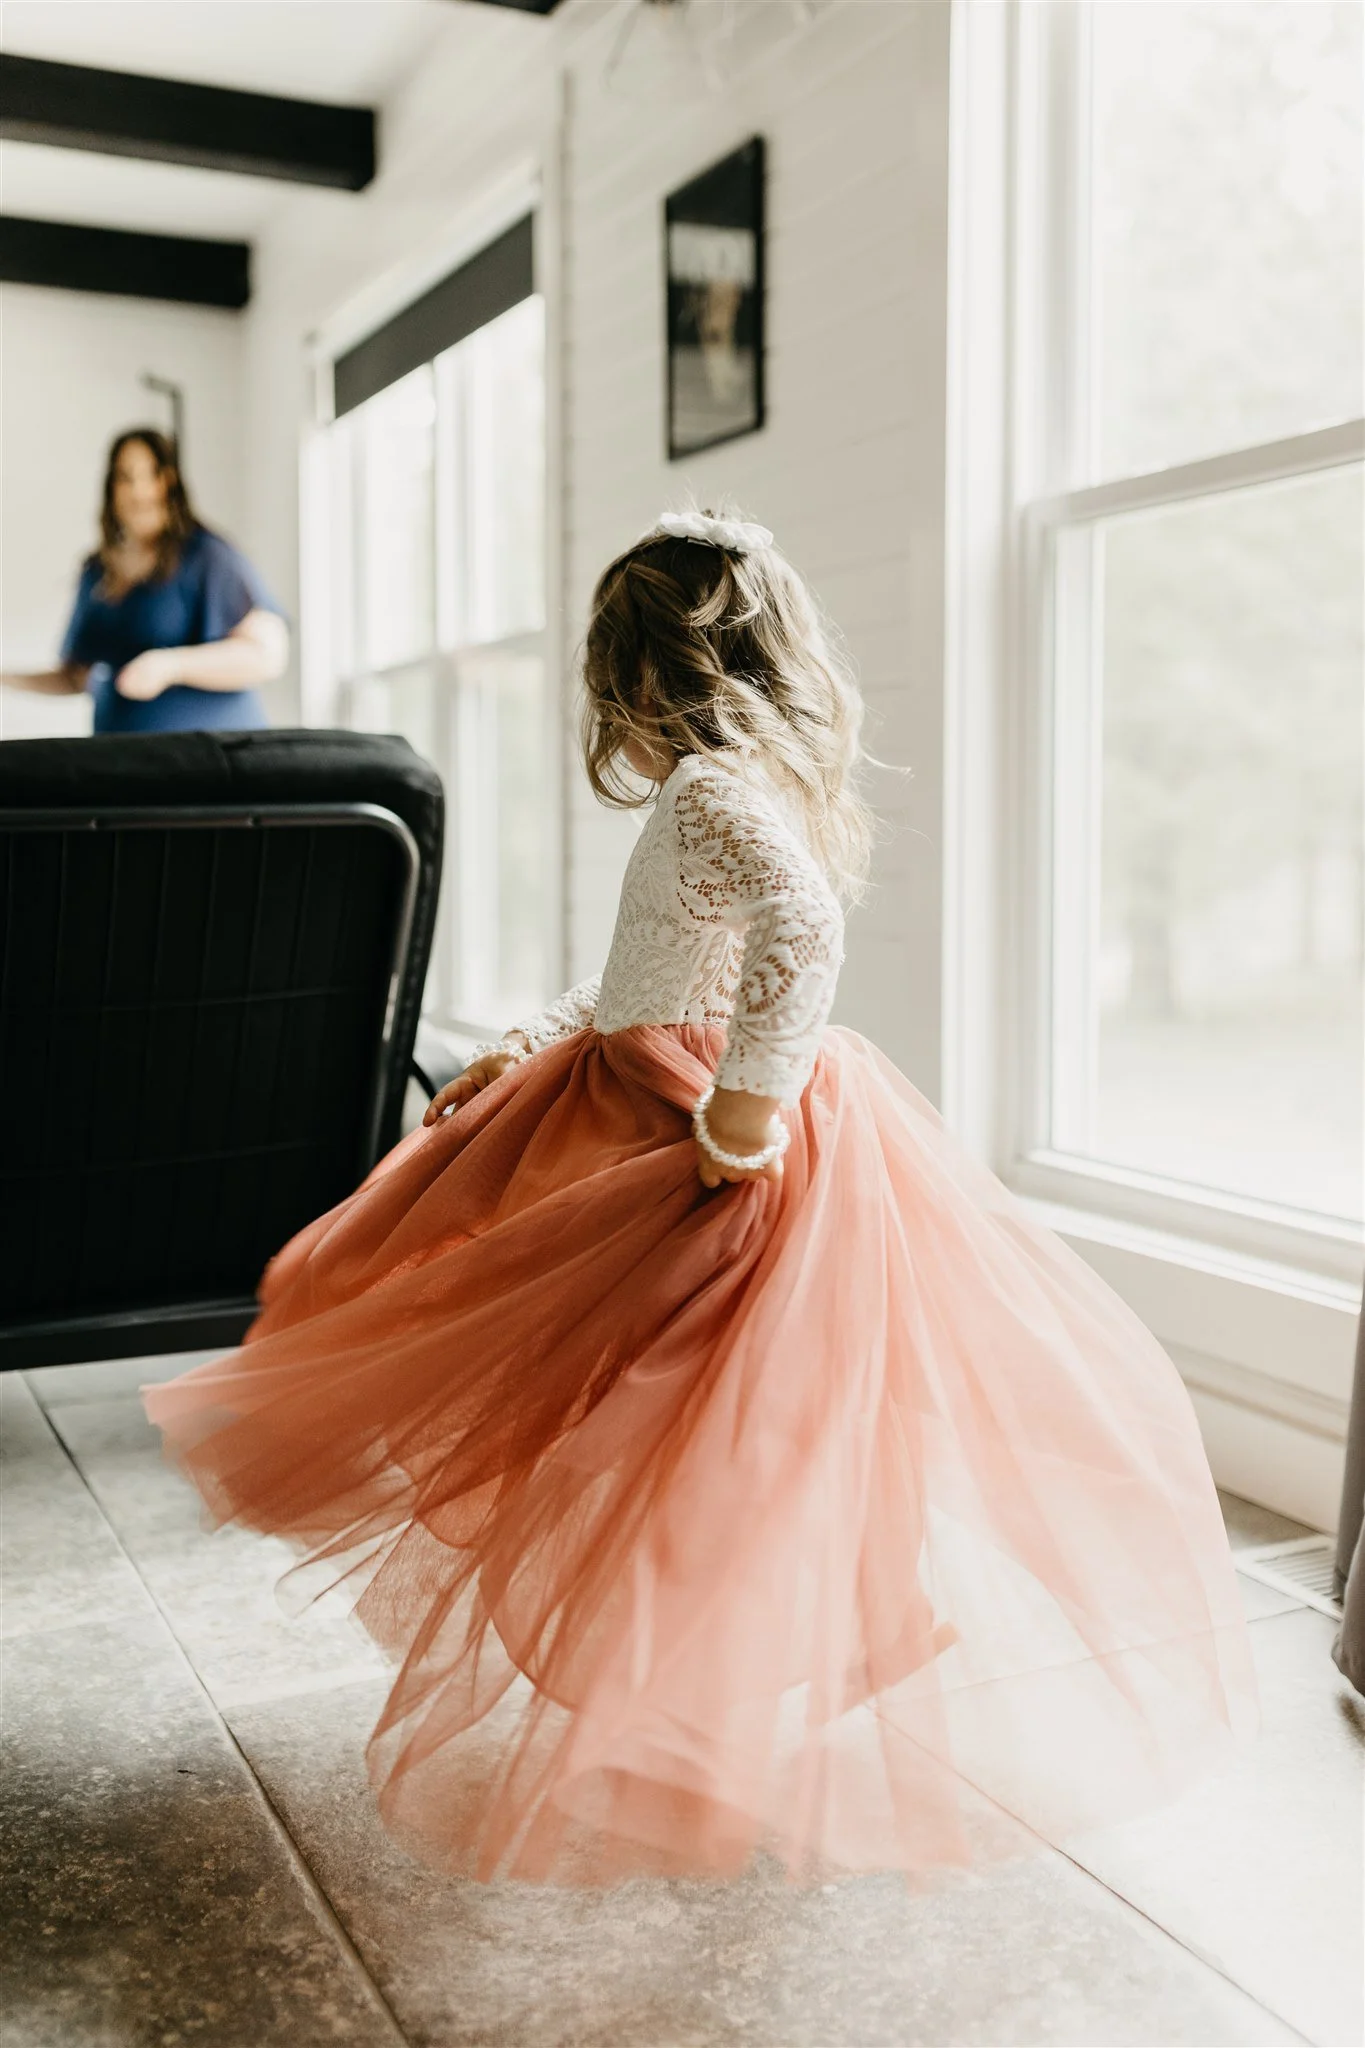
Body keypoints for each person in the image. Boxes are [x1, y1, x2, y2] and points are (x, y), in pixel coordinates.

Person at [143, 508, 1258, 1890]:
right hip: (645, 1077)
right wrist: (531, 1038)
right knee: (687, 1417)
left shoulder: (709, 791)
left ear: (631, 676)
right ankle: (701, 1674)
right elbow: (650, 968)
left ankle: (690, 1679)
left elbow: (804, 929)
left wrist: (745, 1104)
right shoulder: (744, 784)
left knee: (652, 1408)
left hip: (689, 1125)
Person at [2, 428, 287, 734]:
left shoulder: (207, 557)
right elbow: (74, 676)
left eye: (151, 474)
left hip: (208, 763)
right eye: (125, 478)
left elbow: (268, 655)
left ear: (170, 483)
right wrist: (5, 679)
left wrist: (172, 666)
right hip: (124, 763)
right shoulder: (98, 570)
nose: (139, 492)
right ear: (111, 488)